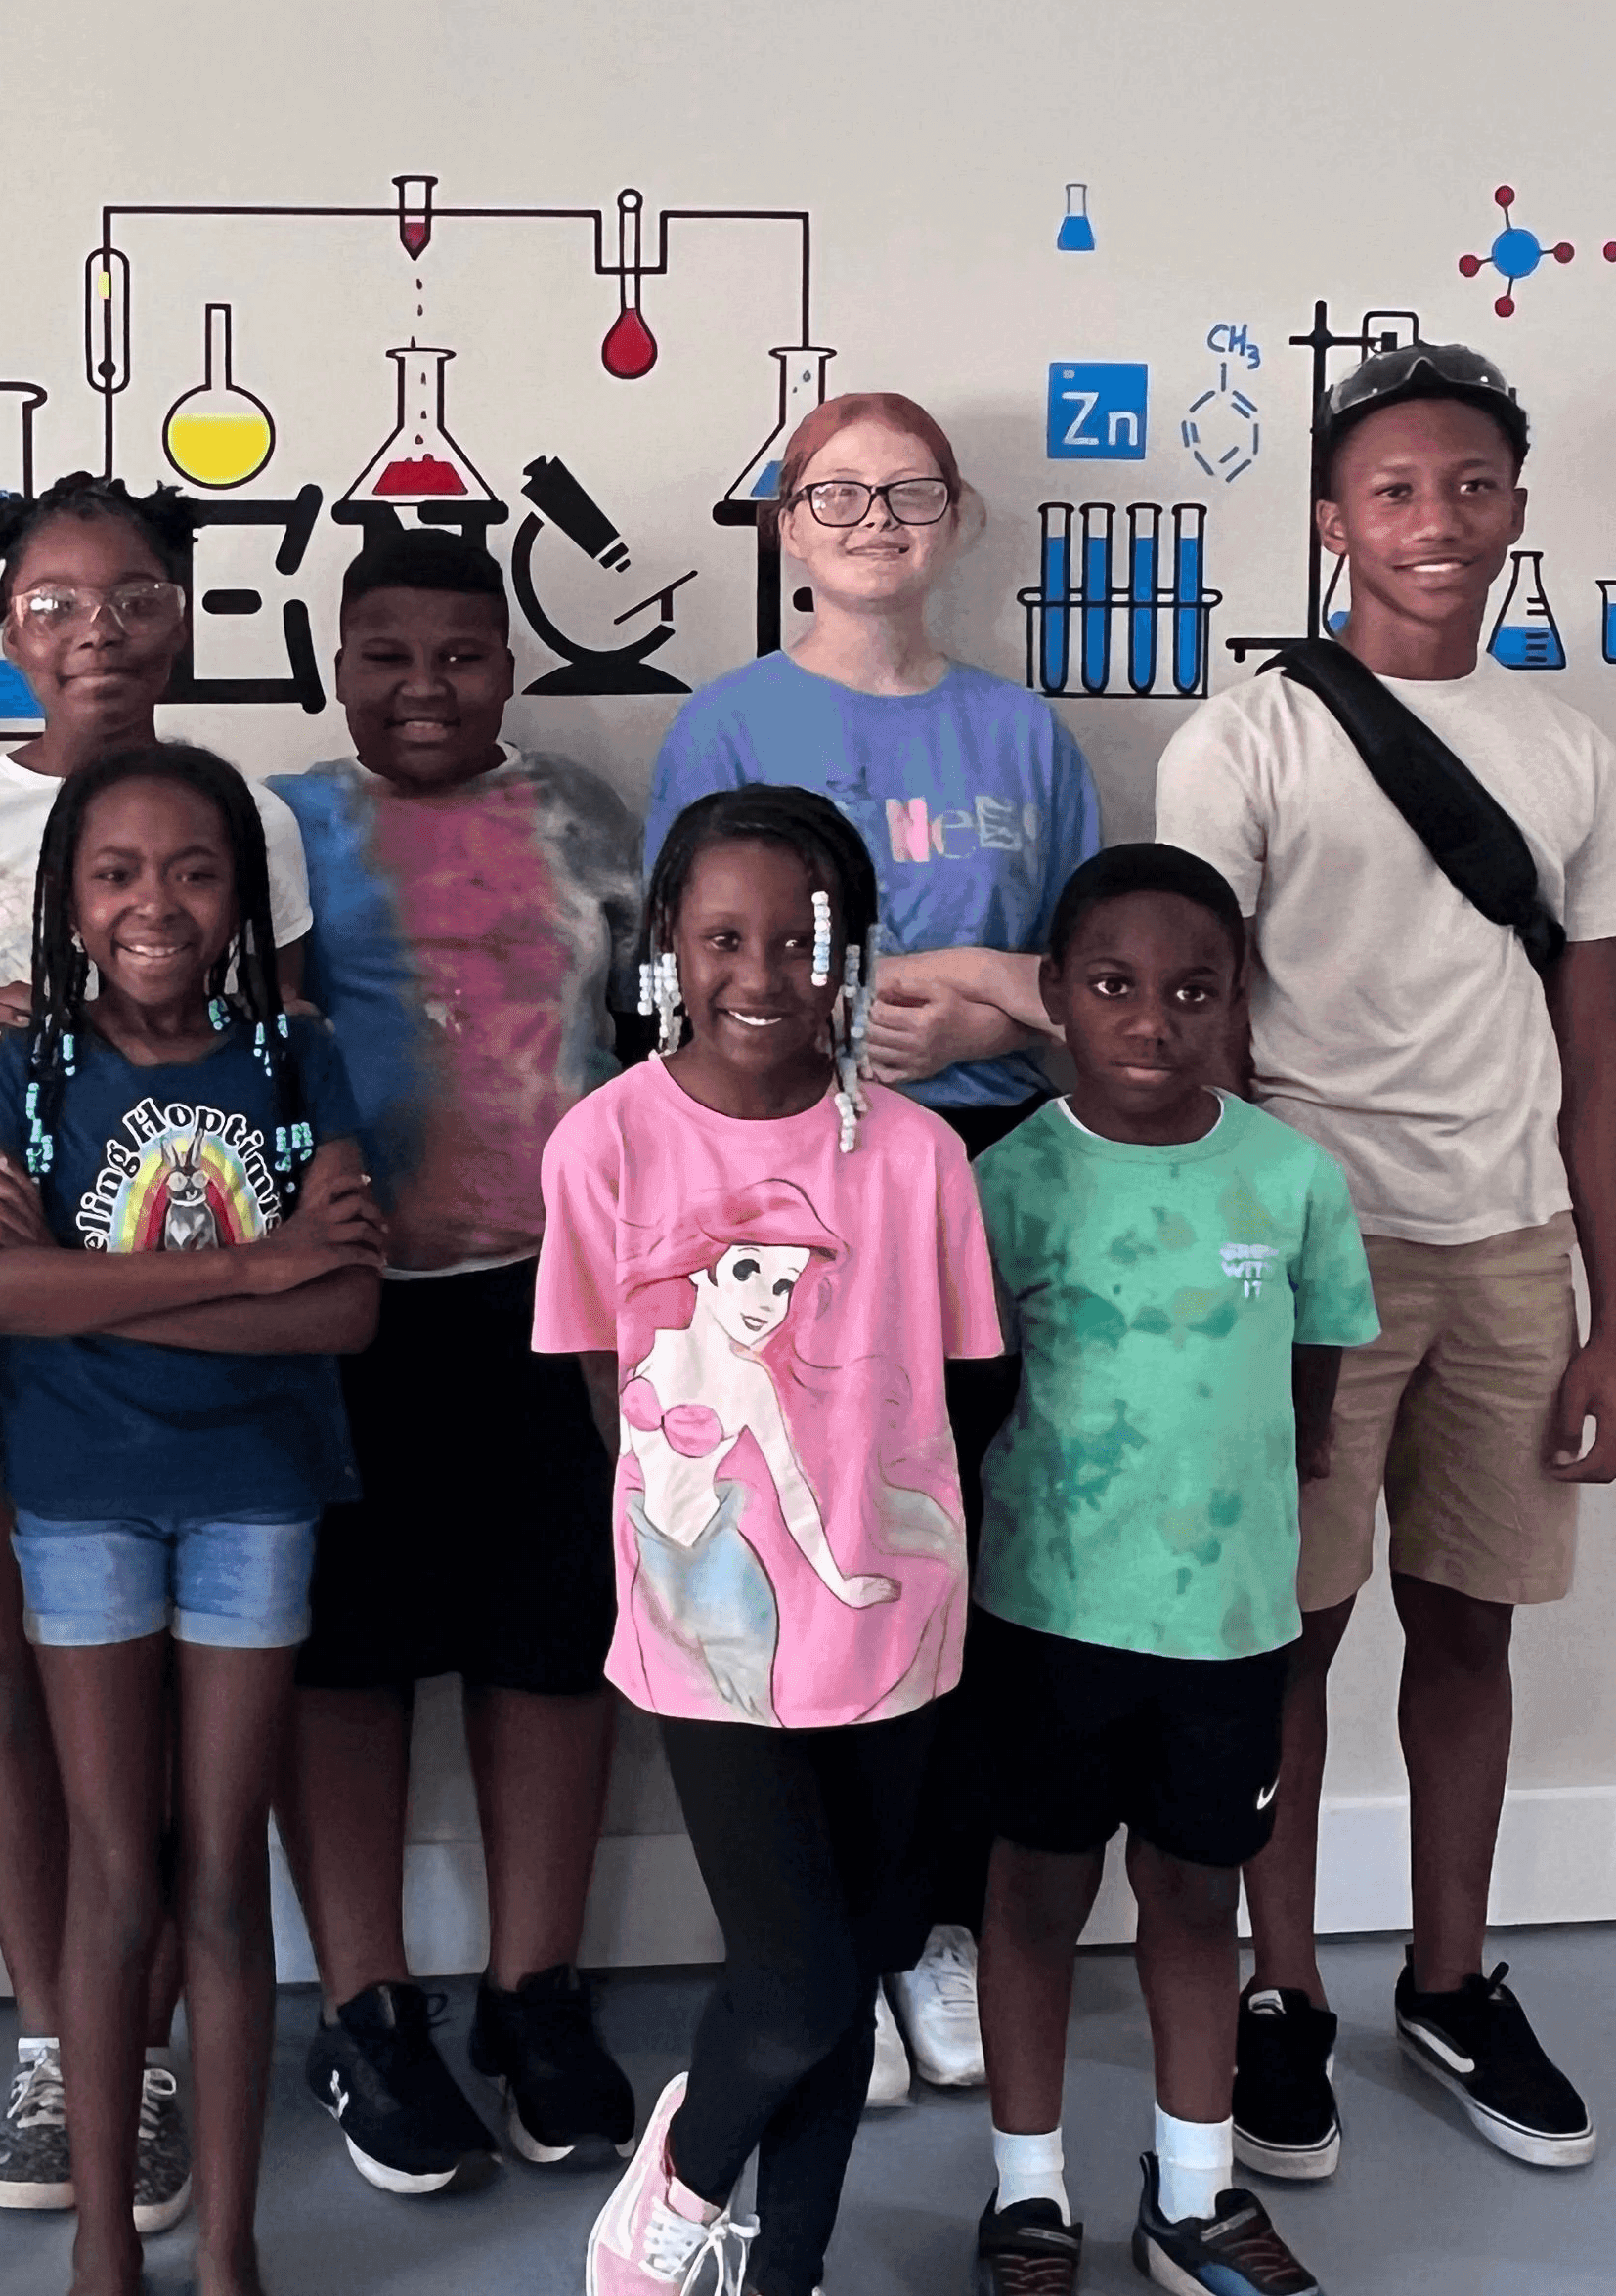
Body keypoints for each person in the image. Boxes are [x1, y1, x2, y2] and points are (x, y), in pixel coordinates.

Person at [1156, 342, 1616, 2181]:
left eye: (1475, 486)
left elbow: (1596, 1048)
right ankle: (1284, 1994)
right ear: (1335, 524)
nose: (1440, 522)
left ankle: (1449, 1969)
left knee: (1471, 1623)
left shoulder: (1573, 744)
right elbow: (1197, 1029)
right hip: (1313, 1256)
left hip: (1510, 1245)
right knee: (1290, 1635)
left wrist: (1607, 1306)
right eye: (1398, 492)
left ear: (1518, 508)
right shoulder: (1242, 737)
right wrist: (1251, 1275)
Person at [0, 472, 313, 2219]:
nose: (93, 632)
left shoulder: (241, 813)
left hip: (202, 1331)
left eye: (130, 598)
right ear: (1, 630)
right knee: (11, 1669)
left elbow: (272, 1050)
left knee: (181, 1731)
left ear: (184, 617)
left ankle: (164, 2059)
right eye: (53, 601)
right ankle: (58, 2047)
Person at [645, 390, 1103, 2100]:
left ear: (961, 516)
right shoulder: (728, 720)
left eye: (908, 490)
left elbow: (1088, 990)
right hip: (792, 1193)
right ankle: (823, 1934)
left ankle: (935, 1934)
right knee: (821, 1533)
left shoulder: (1020, 730)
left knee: (959, 1551)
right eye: (836, 490)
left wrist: (973, 990)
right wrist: (840, 1041)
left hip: (986, 1171)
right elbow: (678, 990)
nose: (873, 517)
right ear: (784, 524)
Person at [548, 787, 1002, 2296]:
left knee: (839, 1972)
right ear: (668, 947)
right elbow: (613, 1396)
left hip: (891, 1628)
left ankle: (784, 2269)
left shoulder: (922, 1156)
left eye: (800, 937)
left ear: (853, 953)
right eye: (723, 935)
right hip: (714, 1635)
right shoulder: (604, 1144)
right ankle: (675, 2189)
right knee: (799, 1984)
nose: (763, 971)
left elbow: (946, 1392)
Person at [0, 742, 382, 2296]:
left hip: (256, 1497)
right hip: (76, 1506)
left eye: (194, 871)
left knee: (216, 1875)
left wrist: (104, 1304)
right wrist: (255, 1266)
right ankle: (102, 2260)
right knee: (115, 1870)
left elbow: (344, 1316)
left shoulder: (292, 1056)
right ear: (66, 894)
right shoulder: (21, 1070)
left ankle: (231, 2258)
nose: (156, 903)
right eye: (117, 872)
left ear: (243, 896)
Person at [263, 530, 643, 2193]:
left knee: (550, 1652)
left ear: (509, 663)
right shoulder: (284, 828)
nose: (427, 686)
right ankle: (364, 2004)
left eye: (462, 655)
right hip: (349, 1307)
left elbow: (650, 1059)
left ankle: (532, 1991)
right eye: (389, 654)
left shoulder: (584, 821)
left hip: (552, 1306)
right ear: (338, 663)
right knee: (344, 1661)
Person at [967, 845, 1375, 2296]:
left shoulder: (1289, 1175)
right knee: (1032, 1897)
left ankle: (1193, 2195)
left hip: (1226, 1629)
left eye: (1192, 990)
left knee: (1198, 1901)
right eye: (1115, 987)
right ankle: (1028, 2194)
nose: (1153, 1020)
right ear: (1058, 1001)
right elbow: (972, 1388)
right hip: (1047, 1617)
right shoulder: (1006, 1181)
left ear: (1236, 1004)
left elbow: (1315, 1377)